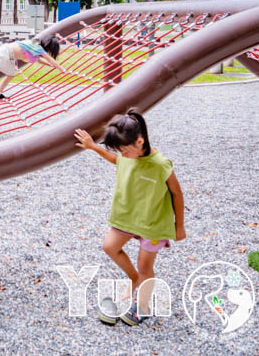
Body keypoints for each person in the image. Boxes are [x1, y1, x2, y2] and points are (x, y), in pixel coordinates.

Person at [73, 110, 186, 326]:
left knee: (145, 265)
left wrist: (179, 226)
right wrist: (94, 147)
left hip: (153, 223)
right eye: (119, 151)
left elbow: (177, 193)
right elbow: (117, 160)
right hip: (128, 215)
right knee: (109, 246)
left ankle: (142, 307)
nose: (122, 155)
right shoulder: (127, 156)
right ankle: (135, 280)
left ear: (140, 141)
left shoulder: (160, 164)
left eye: (124, 150)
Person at [0, 36, 65, 105]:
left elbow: (39, 60)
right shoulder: (38, 48)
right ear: (48, 47)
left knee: (6, 75)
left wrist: (49, 65)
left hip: (6, 51)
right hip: (7, 53)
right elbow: (49, 58)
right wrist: (61, 69)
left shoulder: (35, 44)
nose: (48, 52)